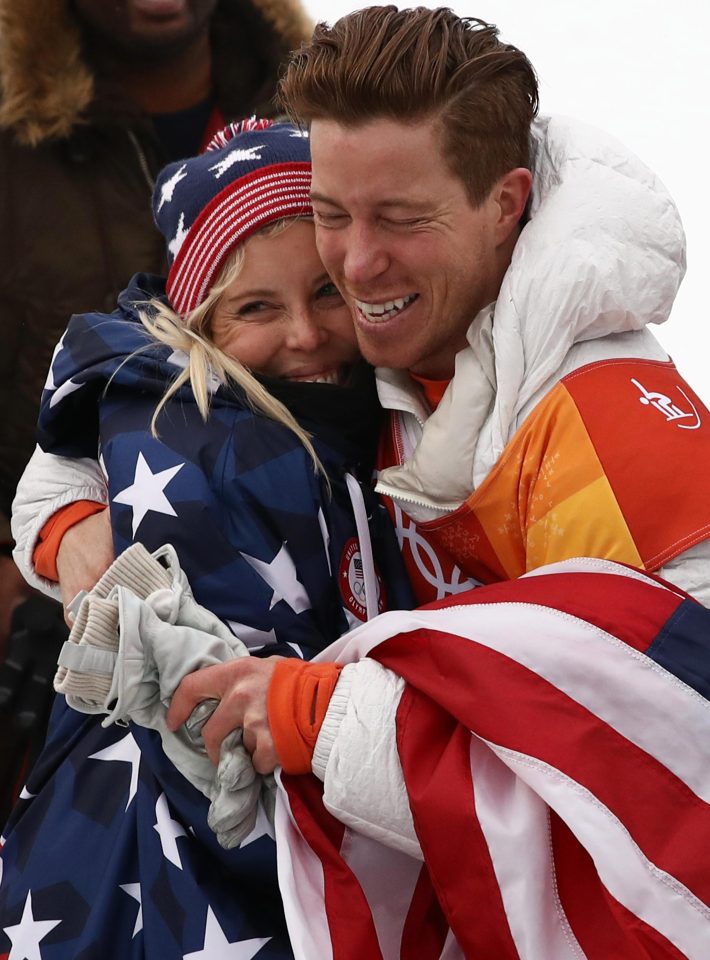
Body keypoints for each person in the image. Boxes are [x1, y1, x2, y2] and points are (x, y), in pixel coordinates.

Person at [11, 5, 710, 953]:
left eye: (400, 219)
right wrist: (70, 519)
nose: (356, 262)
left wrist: (318, 715)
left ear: (505, 204)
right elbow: (127, 389)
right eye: (333, 215)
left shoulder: (611, 438)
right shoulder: (388, 356)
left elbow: (668, 752)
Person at [0, 119, 412, 960]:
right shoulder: (207, 441)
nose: (304, 335)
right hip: (167, 875)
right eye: (257, 306)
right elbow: (221, 725)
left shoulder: (367, 426)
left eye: (326, 291)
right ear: (200, 328)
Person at [0, 0, 312, 821]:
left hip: (301, 641)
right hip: (40, 636)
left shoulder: (326, 110)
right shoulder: (12, 142)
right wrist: (30, 556)